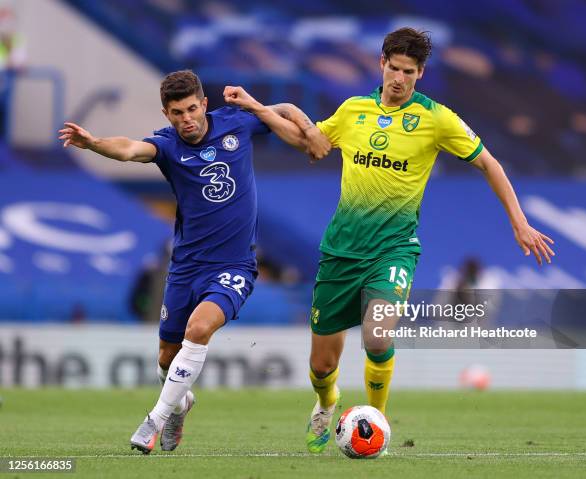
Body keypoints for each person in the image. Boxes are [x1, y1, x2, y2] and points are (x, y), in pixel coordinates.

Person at [223, 27, 555, 454]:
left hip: (394, 250)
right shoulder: (353, 110)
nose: (399, 78)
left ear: (421, 74)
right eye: (394, 68)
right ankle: (327, 403)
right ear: (381, 64)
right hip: (341, 250)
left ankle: (374, 422)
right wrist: (255, 105)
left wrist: (519, 222)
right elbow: (312, 142)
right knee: (322, 366)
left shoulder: (437, 119)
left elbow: (489, 164)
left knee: (377, 336)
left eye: (409, 72)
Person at [58, 70, 321, 454]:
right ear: (167, 114)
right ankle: (180, 405)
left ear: (204, 104)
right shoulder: (166, 146)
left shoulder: (236, 122)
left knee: (198, 330)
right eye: (177, 112)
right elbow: (131, 149)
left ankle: (155, 420)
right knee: (167, 356)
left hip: (234, 266)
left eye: (192, 109)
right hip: (185, 268)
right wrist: (95, 143)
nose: (187, 119)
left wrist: (308, 127)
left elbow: (282, 109)